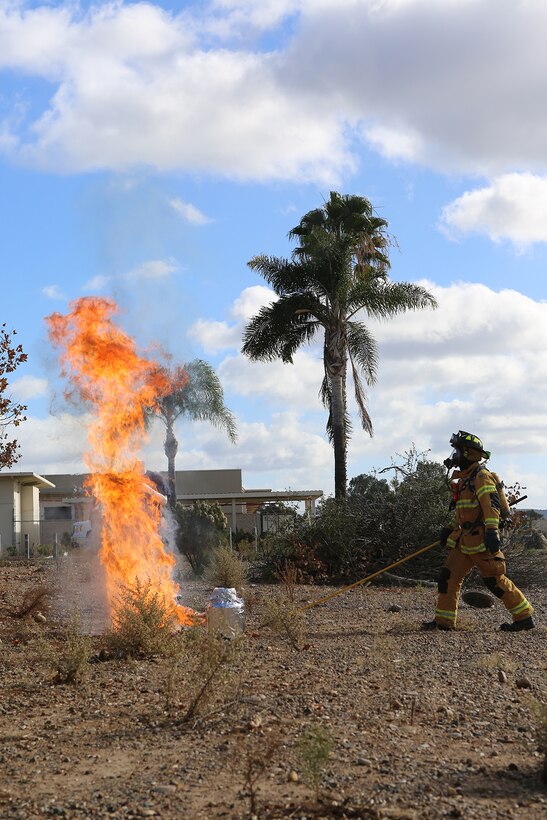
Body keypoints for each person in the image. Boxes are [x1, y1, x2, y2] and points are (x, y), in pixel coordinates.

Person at [422, 430, 535, 632]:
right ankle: (443, 622)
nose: (454, 456)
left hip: (481, 541)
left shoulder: (481, 477)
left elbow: (491, 506)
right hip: (464, 541)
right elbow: (464, 513)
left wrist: (492, 531)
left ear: (468, 453)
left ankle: (524, 617)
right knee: (448, 577)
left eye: (457, 451)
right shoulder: (464, 480)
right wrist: (449, 529)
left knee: (494, 580)